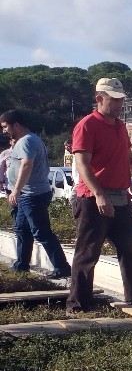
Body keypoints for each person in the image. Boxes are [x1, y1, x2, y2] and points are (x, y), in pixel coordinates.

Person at [66, 78, 132, 313]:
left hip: (120, 198)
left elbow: (129, 159)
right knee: (88, 253)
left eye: (121, 99)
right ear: (99, 98)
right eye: (114, 99)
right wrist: (99, 194)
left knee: (131, 249)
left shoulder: (120, 126)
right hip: (93, 199)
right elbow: (82, 164)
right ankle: (78, 306)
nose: (119, 104)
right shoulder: (87, 125)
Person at [1, 110, 71, 278]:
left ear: (16, 125)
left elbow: (26, 165)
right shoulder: (26, 140)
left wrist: (16, 190)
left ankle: (62, 267)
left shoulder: (27, 141)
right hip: (27, 195)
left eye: (5, 127)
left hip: (32, 195)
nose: (4, 131)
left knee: (41, 231)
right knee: (22, 230)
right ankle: (21, 265)